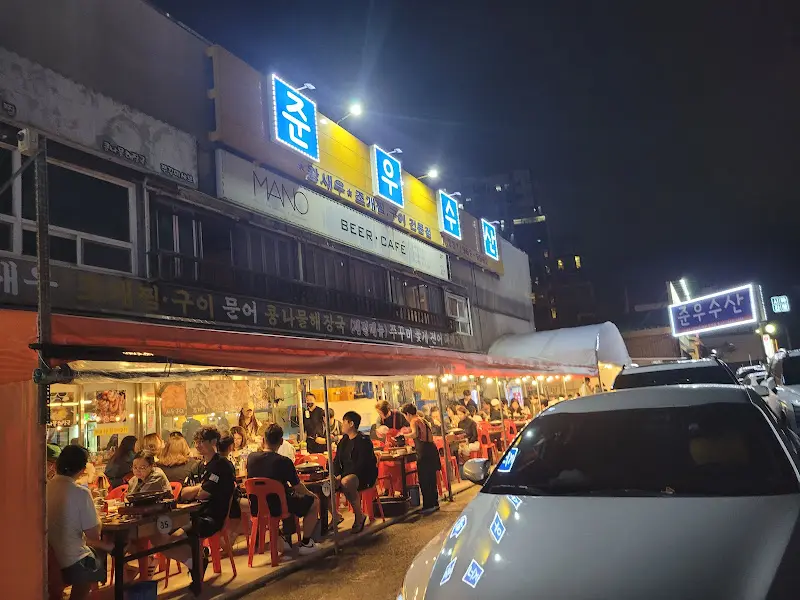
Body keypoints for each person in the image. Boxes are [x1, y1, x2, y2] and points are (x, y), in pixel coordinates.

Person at [159, 426, 235, 593]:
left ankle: (197, 561)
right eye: (196, 442)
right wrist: (199, 488)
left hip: (211, 518)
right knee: (160, 534)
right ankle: (197, 559)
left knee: (172, 537)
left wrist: (198, 490)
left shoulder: (222, 465)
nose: (198, 445)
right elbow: (183, 494)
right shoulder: (198, 466)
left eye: (202, 442)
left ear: (213, 442)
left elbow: (204, 495)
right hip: (190, 515)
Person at [47, 445, 114, 600]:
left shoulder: (46, 488)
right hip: (72, 560)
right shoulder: (80, 492)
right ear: (83, 468)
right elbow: (94, 534)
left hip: (49, 558)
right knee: (100, 555)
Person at [246, 424, 319, 554]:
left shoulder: (251, 458)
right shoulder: (284, 461)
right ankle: (306, 543)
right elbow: (297, 486)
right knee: (314, 502)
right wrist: (311, 494)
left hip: (258, 507)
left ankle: (281, 538)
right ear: (281, 441)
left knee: (288, 499)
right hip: (280, 506)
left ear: (264, 439)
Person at [331, 411, 379, 533]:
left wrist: (342, 475)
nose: (342, 425)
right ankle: (335, 515)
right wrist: (336, 475)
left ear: (351, 423)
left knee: (346, 482)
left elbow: (362, 464)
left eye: (344, 422)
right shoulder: (343, 441)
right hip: (344, 475)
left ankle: (359, 516)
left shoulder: (364, 440)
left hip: (363, 476)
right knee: (325, 484)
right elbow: (336, 461)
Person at [401, 403, 440, 513]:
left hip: (424, 452)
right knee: (432, 478)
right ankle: (434, 502)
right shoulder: (423, 420)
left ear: (408, 414)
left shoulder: (414, 420)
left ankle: (428, 505)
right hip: (432, 449)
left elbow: (415, 434)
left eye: (405, 416)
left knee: (424, 479)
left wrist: (403, 436)